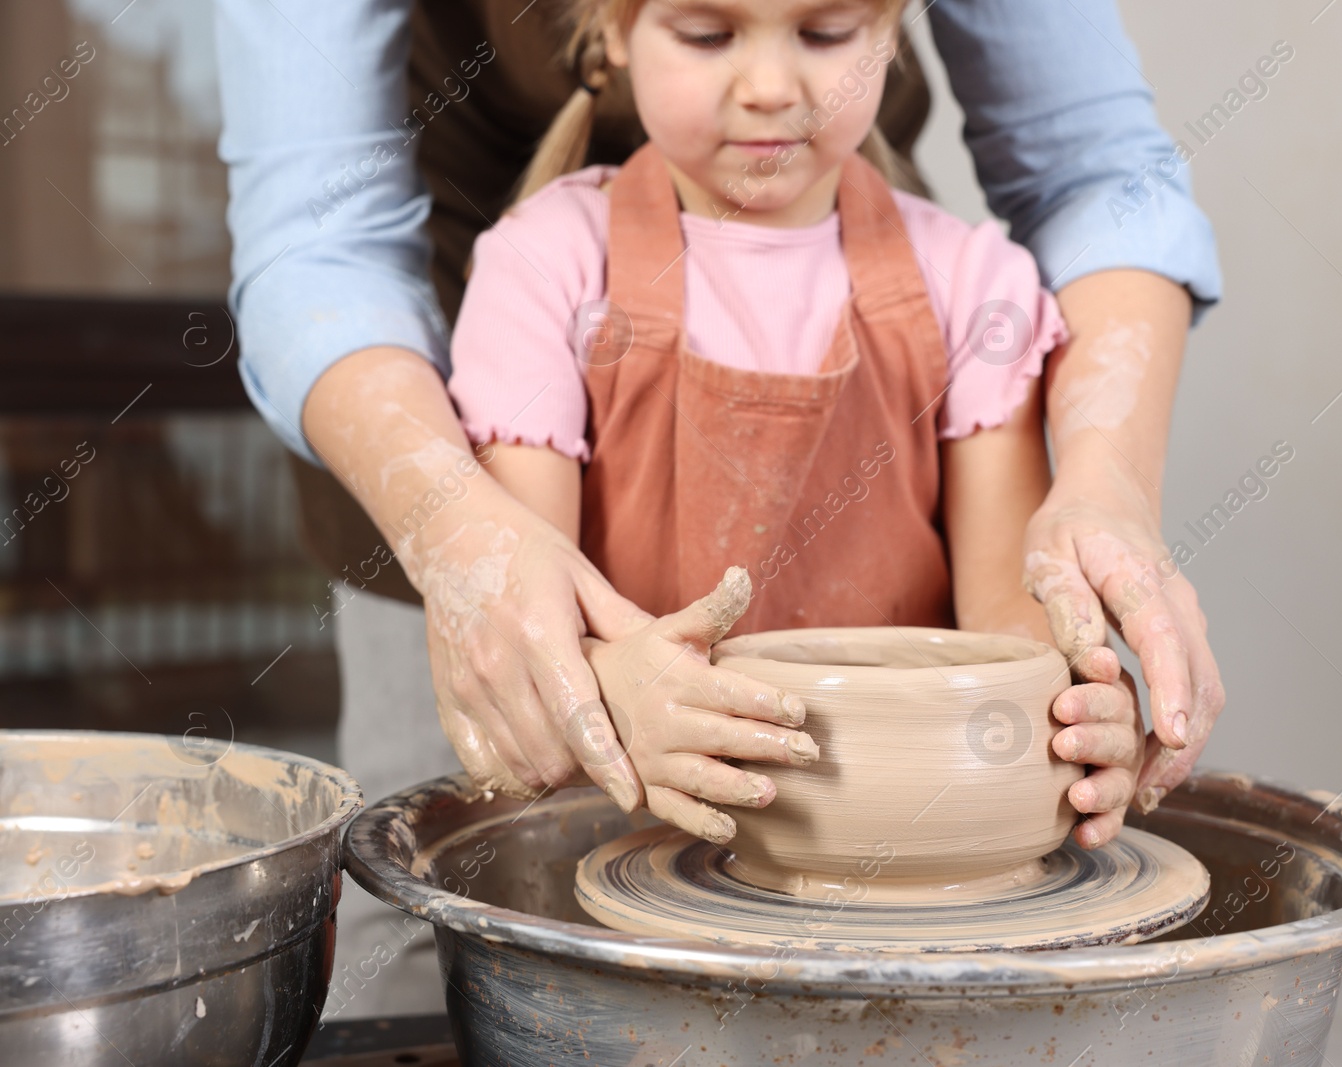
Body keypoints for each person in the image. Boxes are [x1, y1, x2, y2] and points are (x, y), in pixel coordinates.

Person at [217, 0, 1224, 1020]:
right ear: (611, 34)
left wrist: (1071, 714)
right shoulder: (543, 267)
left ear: (892, 33)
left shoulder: (972, 285)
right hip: (611, 844)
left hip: (886, 888)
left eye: (827, 34)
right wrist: (616, 702)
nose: (772, 88)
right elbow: (541, 607)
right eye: (706, 35)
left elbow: (1012, 625)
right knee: (423, 949)